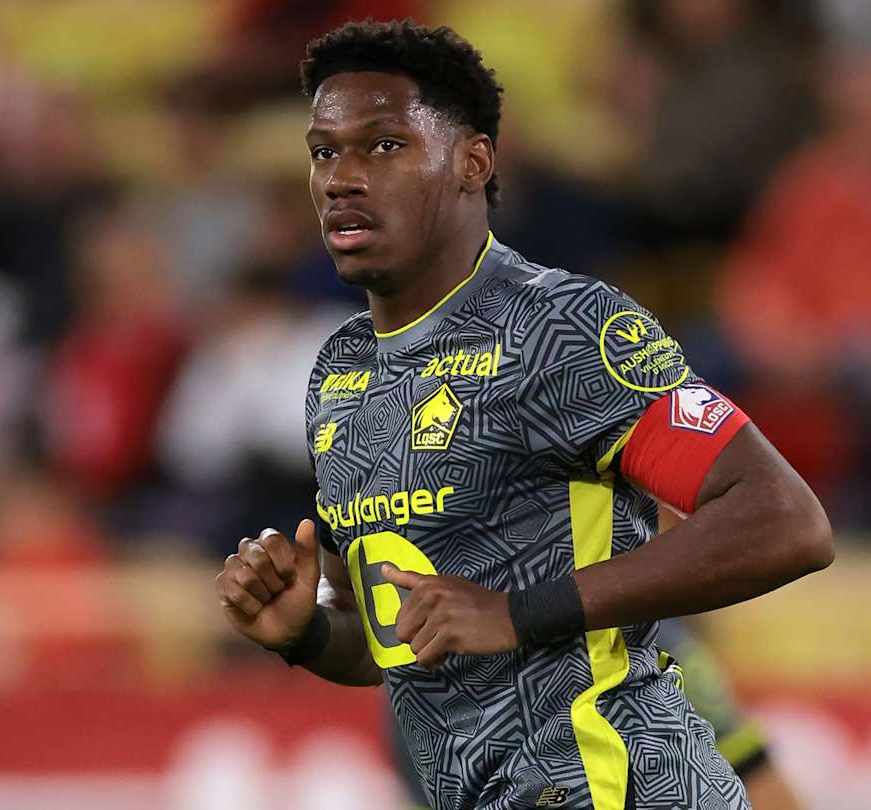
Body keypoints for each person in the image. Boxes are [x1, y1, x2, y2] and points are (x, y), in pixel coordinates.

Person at [214, 19, 833, 810]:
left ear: (473, 162)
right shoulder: (340, 372)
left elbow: (785, 520)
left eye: (385, 145)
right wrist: (305, 632)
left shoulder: (561, 327)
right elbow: (399, 645)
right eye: (324, 152)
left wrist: (519, 612)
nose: (342, 179)